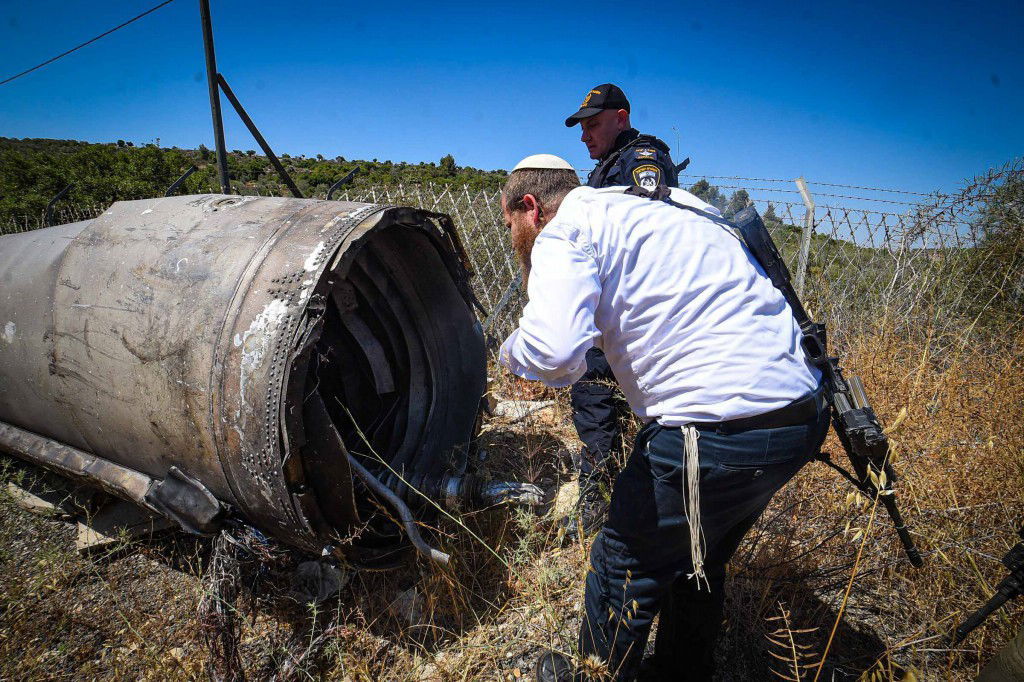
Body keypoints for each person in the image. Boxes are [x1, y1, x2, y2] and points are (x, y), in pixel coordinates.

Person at [498, 154, 828, 682]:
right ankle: (680, 670)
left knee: (620, 563)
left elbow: (554, 353)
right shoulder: (670, 203)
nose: (512, 235)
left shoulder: (565, 230)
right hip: (799, 415)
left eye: (509, 222)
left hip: (713, 429)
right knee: (700, 554)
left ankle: (595, 675)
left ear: (531, 208)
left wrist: (509, 352)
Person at [561, 84, 683, 540]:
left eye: (593, 124)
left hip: (634, 313)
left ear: (622, 117)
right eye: (582, 127)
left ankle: (600, 507)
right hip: (613, 310)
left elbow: (649, 231)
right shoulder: (608, 166)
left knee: (597, 397)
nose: (585, 136)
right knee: (600, 402)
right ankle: (611, 498)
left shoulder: (641, 160)